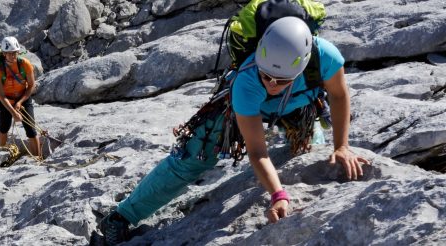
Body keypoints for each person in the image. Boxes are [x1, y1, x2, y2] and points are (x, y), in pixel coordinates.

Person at [96, 17, 369, 245]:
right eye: (267, 76)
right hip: (240, 105)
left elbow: (338, 96)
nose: (272, 85)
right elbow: (257, 150)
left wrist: (341, 146)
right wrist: (278, 195)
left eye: (281, 80)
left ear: (302, 64)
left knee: (309, 149)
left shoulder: (326, 58)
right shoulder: (248, 79)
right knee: (194, 157)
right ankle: (120, 217)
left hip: (299, 104)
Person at [0, 36, 41, 159]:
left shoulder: (25, 64)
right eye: (9, 54)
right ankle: (2, 151)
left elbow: (31, 86)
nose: (13, 56)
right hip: (5, 100)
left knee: (31, 130)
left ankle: (38, 158)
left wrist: (20, 102)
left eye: (15, 53)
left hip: (23, 97)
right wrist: (13, 112)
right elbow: (1, 96)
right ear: (4, 54)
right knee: (4, 127)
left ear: (18, 52)